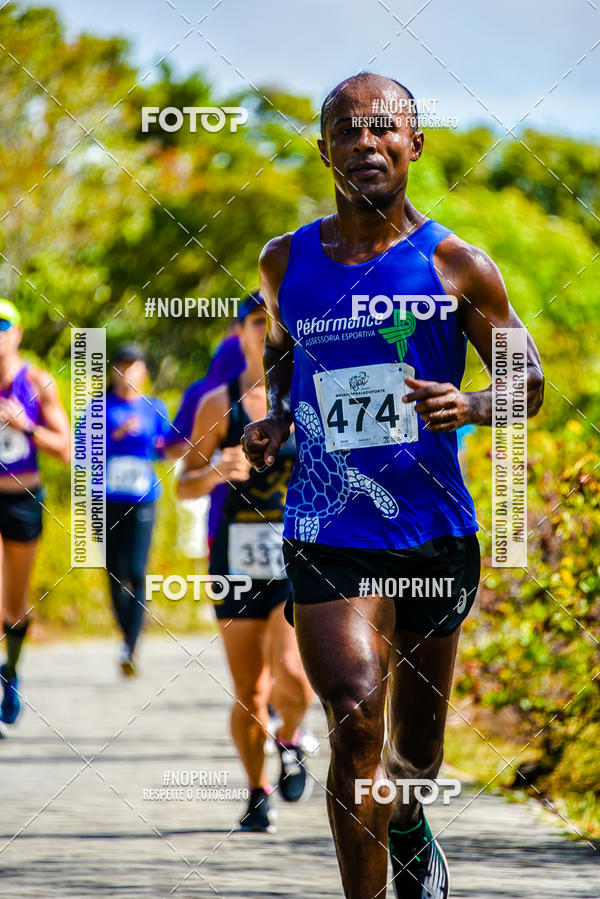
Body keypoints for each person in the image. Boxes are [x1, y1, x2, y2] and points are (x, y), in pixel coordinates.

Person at [242, 73, 545, 897]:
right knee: (353, 715)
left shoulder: (455, 265)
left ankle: (409, 821)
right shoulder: (285, 261)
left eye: (383, 130)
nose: (364, 144)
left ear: (414, 145)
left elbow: (529, 381)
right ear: (324, 148)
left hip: (433, 529)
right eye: (346, 131)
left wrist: (475, 400)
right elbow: (281, 348)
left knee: (416, 751)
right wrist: (274, 420)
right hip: (326, 529)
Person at [177, 292, 314, 833]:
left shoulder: (313, 398)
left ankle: (294, 738)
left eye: (280, 321)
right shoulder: (219, 402)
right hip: (235, 555)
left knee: (293, 678)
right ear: (241, 333)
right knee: (250, 691)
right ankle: (257, 791)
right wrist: (214, 471)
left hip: (299, 553)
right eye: (259, 322)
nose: (269, 330)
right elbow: (183, 485)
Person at [0, 299, 70, 734]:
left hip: (24, 498)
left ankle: (12, 672)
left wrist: (27, 426)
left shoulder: (38, 382)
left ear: (18, 333)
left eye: (3, 326)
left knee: (14, 604)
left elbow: (66, 447)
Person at [103, 344, 176, 676]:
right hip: (106, 498)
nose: (127, 373)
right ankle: (124, 635)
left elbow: (166, 450)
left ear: (144, 372)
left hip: (143, 498)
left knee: (136, 570)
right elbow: (81, 448)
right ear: (113, 372)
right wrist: (115, 435)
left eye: (134, 366)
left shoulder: (155, 407)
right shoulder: (99, 408)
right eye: (121, 366)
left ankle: (130, 648)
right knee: (112, 571)